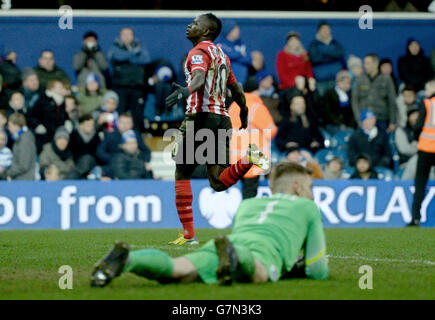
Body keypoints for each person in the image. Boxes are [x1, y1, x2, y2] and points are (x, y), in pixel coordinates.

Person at [90, 161, 329, 287]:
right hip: (255, 252)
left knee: (177, 270)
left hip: (224, 245)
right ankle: (236, 258)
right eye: (310, 188)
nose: (312, 195)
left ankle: (129, 259)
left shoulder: (248, 205)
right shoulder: (307, 207)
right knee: (259, 270)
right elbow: (318, 271)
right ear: (297, 187)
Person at [164, 13, 269, 245]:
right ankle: (248, 159)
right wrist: (241, 109)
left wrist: (185, 91)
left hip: (201, 116)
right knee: (217, 182)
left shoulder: (197, 52)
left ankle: (189, 235)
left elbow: (199, 78)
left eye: (196, 23)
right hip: (221, 118)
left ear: (206, 32)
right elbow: (236, 87)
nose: (190, 24)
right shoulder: (222, 55)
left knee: (182, 171)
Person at [228, 90, 278, 199]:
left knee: (244, 191)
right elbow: (271, 131)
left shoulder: (233, 106)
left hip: (235, 158)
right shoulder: (257, 108)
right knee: (250, 193)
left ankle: (244, 212)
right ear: (254, 91)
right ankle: (249, 213)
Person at [108, 27, 150, 132]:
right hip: (120, 87)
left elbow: (146, 59)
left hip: (136, 87)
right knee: (119, 112)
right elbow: (117, 57)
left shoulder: (139, 46)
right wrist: (134, 54)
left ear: (133, 36)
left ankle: (137, 136)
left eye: (129, 34)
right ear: (120, 36)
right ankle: (118, 135)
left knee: (137, 113)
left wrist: (128, 58)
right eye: (124, 35)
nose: (127, 37)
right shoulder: (115, 46)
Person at [409, 79, 435, 226]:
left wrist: (416, 137)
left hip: (425, 149)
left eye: (427, 89)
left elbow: (418, 126)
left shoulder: (427, 103)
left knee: (420, 184)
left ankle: (415, 218)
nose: (425, 92)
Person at [351, 54, 398, 133]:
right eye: (364, 63)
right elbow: (354, 100)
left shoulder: (386, 79)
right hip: (364, 120)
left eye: (367, 63)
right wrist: (358, 119)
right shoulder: (360, 80)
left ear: (376, 64)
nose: (365, 66)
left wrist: (393, 121)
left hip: (381, 119)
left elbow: (392, 101)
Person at [96, 112, 151, 179]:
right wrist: (112, 159)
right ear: (118, 123)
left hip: (132, 165)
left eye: (128, 123)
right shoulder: (111, 135)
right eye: (122, 122)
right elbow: (100, 151)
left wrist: (146, 161)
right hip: (114, 165)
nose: (125, 125)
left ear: (132, 124)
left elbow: (146, 151)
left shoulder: (136, 135)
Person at [26, 79, 69, 153]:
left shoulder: (61, 101)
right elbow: (30, 116)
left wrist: (67, 121)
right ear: (52, 89)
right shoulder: (43, 100)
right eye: (59, 87)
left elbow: (64, 115)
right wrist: (37, 126)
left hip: (57, 135)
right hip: (44, 136)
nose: (62, 89)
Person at [308, 20, 345, 96]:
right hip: (321, 81)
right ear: (319, 31)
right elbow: (315, 58)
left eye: (328, 29)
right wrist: (332, 56)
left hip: (336, 80)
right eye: (324, 29)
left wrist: (323, 53)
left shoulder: (335, 43)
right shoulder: (313, 45)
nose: (326, 31)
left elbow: (340, 53)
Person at [0, 113, 36, 180]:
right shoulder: (21, 138)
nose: (8, 128)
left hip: (24, 181)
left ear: (16, 126)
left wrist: (5, 173)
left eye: (10, 125)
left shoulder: (25, 140)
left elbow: (23, 165)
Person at [215, 20, 252, 85]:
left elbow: (248, 59)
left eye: (237, 29)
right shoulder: (220, 44)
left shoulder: (240, 44)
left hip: (243, 80)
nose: (238, 31)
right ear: (228, 31)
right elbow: (230, 55)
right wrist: (240, 54)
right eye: (234, 29)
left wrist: (235, 56)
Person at [67, 114, 100, 179]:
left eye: (92, 125)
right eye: (88, 125)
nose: (91, 127)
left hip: (91, 164)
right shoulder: (73, 136)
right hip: (76, 163)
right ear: (81, 125)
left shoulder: (96, 137)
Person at [323, 70, 356, 134]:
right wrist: (339, 123)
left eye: (349, 83)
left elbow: (352, 112)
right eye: (344, 82)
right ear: (338, 82)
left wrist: (350, 124)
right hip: (333, 124)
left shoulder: (351, 94)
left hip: (349, 124)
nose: (347, 85)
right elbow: (327, 112)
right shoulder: (329, 93)